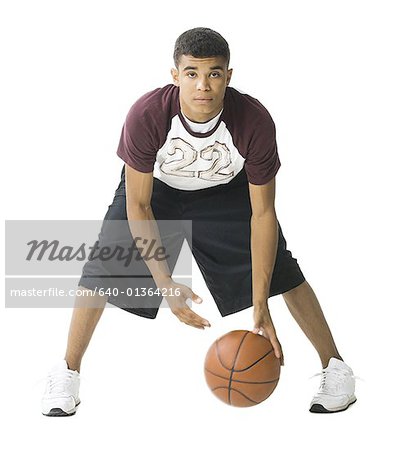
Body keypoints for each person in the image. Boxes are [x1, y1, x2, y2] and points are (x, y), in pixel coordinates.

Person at [41, 27, 356, 416]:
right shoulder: (147, 115)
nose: (203, 85)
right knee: (102, 267)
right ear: (175, 76)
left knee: (283, 271)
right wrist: (164, 284)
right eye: (191, 73)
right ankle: (67, 374)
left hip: (225, 193)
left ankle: (336, 368)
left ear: (228, 76)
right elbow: (138, 205)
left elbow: (263, 213)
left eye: (214, 73)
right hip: (157, 192)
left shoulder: (253, 121)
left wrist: (260, 304)